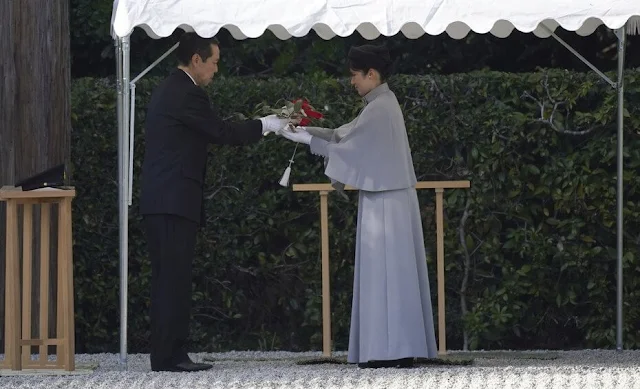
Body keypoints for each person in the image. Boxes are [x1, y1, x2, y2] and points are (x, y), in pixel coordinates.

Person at [139, 32, 292, 372]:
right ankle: (170, 357)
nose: (216, 70)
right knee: (173, 280)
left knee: (169, 278)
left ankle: (169, 354)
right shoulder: (186, 93)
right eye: (214, 63)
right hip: (172, 200)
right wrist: (267, 125)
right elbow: (222, 132)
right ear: (196, 59)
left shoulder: (172, 89)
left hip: (165, 199)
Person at [279, 44, 438, 368]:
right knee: (392, 274)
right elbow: (343, 136)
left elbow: (346, 146)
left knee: (385, 274)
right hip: (387, 196)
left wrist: (306, 140)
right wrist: (306, 131)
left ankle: (387, 350)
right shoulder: (380, 104)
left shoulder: (380, 107)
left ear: (371, 74)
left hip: (386, 198)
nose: (352, 82)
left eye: (355, 75)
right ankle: (392, 349)